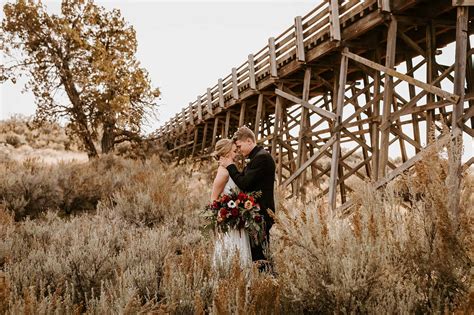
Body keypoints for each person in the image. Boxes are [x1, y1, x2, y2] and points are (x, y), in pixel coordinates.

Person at [219, 126, 276, 265]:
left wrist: (230, 166)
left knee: (260, 255)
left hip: (260, 213)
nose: (238, 150)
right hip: (256, 213)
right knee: (257, 254)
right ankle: (263, 281)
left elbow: (244, 183)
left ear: (249, 141)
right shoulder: (257, 156)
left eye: (239, 146)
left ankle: (266, 281)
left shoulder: (261, 158)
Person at [210, 139, 252, 268]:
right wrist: (224, 215)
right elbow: (213, 199)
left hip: (237, 219)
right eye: (234, 151)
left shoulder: (229, 169)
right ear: (227, 153)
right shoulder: (223, 172)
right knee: (231, 248)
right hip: (230, 221)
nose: (237, 153)